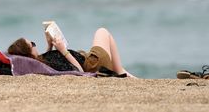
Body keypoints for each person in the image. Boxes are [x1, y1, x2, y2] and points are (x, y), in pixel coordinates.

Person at [7, 27, 136, 78]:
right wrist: (63, 51)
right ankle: (121, 73)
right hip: (93, 63)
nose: (35, 45)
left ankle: (128, 75)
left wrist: (49, 46)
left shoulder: (39, 62)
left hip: (89, 59)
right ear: (30, 54)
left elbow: (46, 62)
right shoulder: (50, 63)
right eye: (33, 44)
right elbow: (79, 71)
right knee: (102, 32)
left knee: (113, 59)